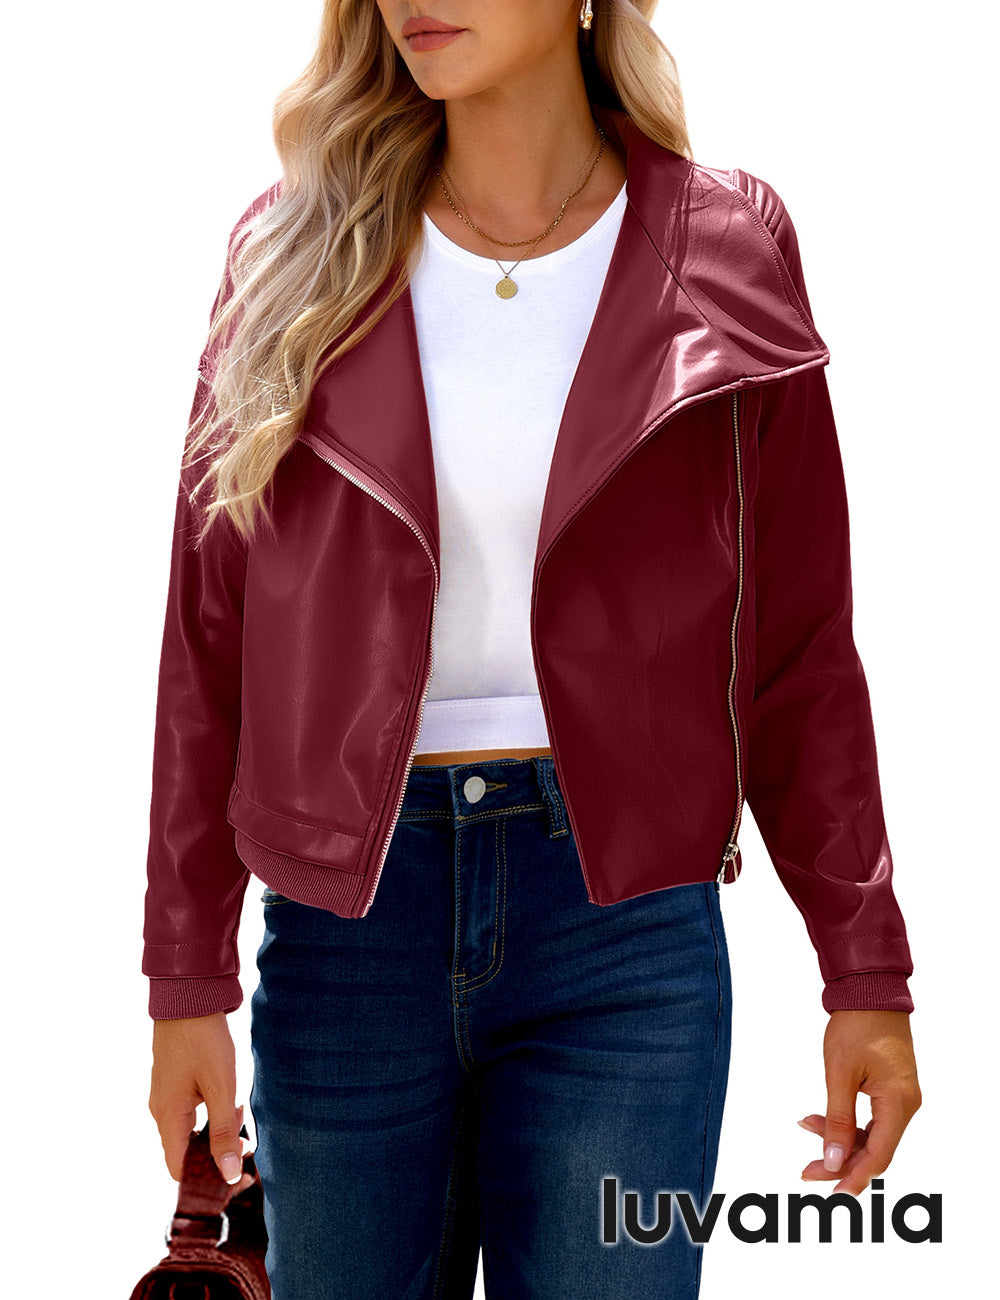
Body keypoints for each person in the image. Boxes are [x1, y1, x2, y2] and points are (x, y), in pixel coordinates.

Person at [144, 3, 921, 1296]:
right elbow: (207, 643)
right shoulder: (288, 255)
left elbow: (797, 648)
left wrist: (865, 968)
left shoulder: (724, 248)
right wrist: (186, 978)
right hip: (348, 934)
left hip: (625, 934)